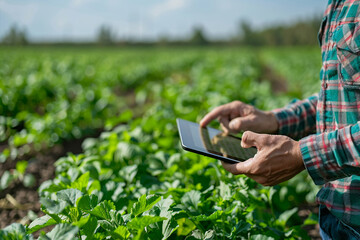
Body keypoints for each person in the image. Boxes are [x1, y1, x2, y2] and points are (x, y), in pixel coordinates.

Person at [200, 1, 360, 239]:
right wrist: (275, 120)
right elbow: (341, 98)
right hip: (335, 217)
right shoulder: (337, 4)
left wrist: (301, 155)